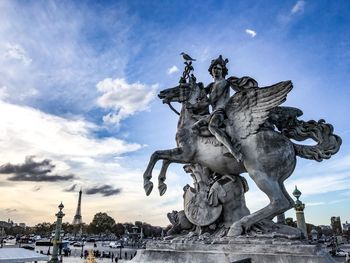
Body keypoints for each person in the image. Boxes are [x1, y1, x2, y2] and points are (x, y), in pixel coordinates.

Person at [192, 55, 242, 161]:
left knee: (213, 127)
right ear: (211, 70)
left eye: (218, 68)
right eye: (214, 68)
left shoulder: (223, 82)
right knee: (194, 127)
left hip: (221, 111)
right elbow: (198, 95)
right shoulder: (211, 85)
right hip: (213, 113)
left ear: (222, 70)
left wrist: (199, 101)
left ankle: (233, 151)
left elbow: (211, 99)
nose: (216, 70)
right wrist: (195, 85)